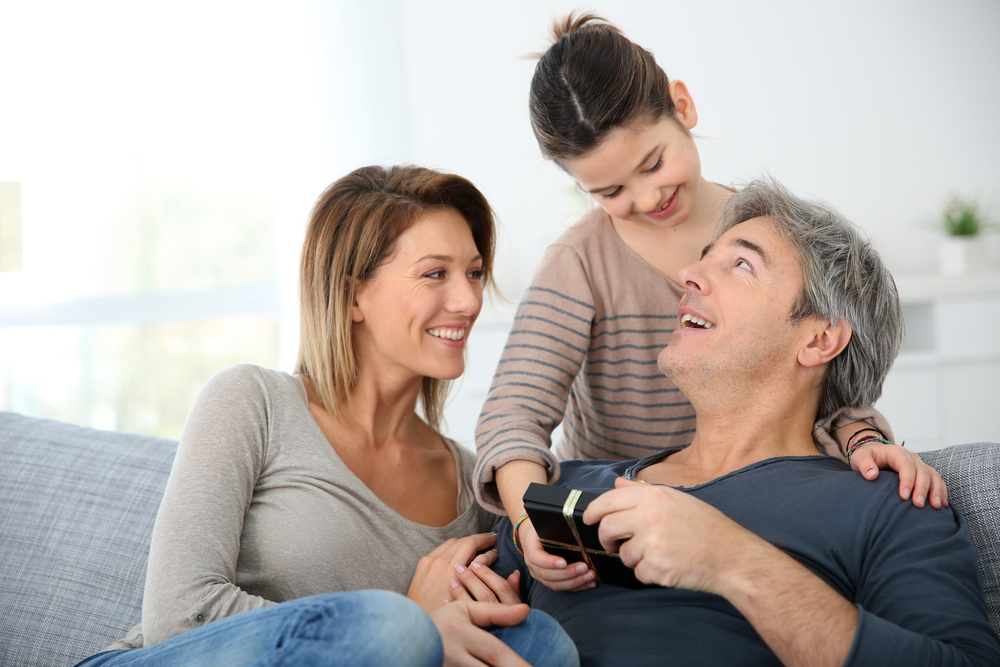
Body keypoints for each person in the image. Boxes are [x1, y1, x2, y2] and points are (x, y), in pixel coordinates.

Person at [474, 13, 946, 593]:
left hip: (756, 503)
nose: (648, 198)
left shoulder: (769, 231)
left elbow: (820, 375)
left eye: (652, 163)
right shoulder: (579, 262)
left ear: (683, 106)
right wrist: (529, 524)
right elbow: (511, 418)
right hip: (622, 526)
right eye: (610, 191)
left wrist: (865, 440)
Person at [477, 178, 1000, 666]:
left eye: (742, 265)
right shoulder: (557, 495)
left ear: (819, 339)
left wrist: (732, 560)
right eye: (705, 258)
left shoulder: (888, 504)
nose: (688, 274)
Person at [74, 165, 578, 667]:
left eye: (472, 272)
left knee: (539, 642)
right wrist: (410, 623)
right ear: (353, 293)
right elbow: (179, 616)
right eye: (434, 274)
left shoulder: (474, 487)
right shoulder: (254, 401)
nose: (470, 300)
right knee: (395, 630)